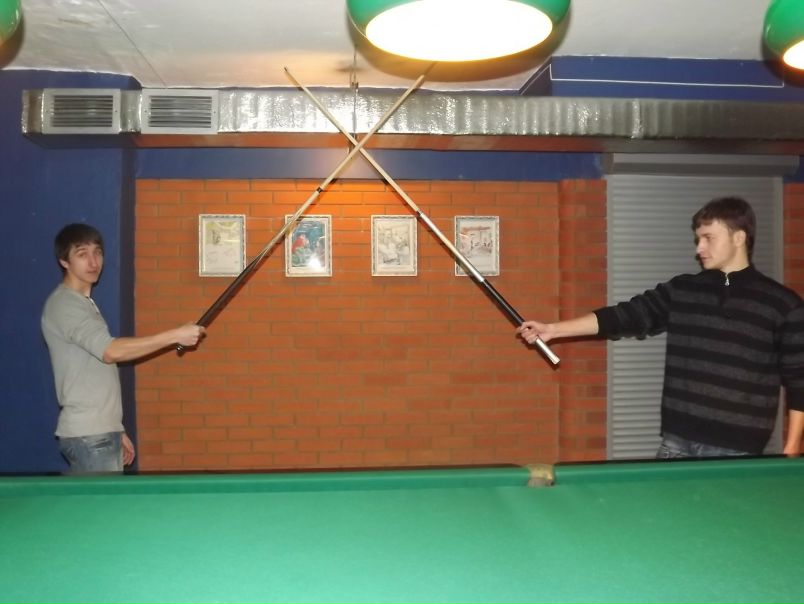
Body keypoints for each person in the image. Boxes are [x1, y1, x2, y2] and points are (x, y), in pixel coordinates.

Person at [517, 196, 804, 458]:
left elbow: (799, 381)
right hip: (676, 442)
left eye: (708, 238)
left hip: (738, 449)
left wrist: (792, 445)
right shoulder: (683, 289)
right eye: (698, 239)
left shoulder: (782, 304)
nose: (699, 248)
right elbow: (624, 316)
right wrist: (553, 330)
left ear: (739, 237)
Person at [41, 223, 206, 474]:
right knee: (100, 502)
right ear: (64, 261)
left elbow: (95, 371)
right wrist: (174, 335)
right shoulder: (66, 305)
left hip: (99, 432)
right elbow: (111, 351)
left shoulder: (83, 304)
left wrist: (115, 428)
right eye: (82, 254)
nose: (93, 262)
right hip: (90, 437)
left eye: (97, 252)